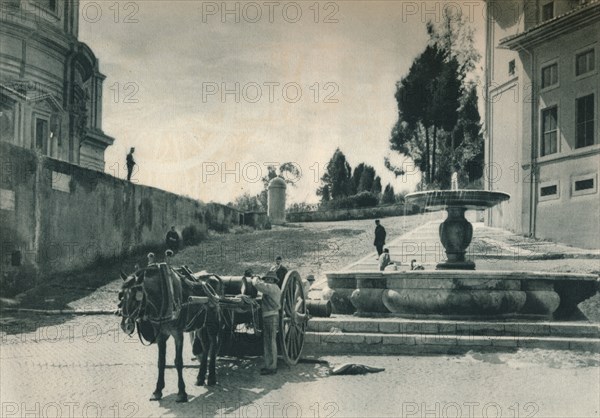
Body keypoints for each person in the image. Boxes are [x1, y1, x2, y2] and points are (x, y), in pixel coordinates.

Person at [251, 271, 282, 375]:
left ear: (273, 280)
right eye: (267, 279)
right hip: (269, 316)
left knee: (270, 341)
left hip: (271, 317)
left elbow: (257, 285)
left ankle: (272, 367)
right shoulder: (273, 288)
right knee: (268, 341)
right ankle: (269, 365)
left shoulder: (272, 287)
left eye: (269, 279)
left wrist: (255, 277)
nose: (268, 280)